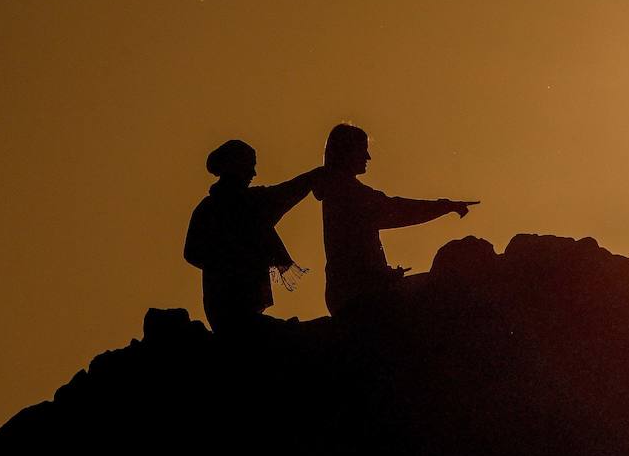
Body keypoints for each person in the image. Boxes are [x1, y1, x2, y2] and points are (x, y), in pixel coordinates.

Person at [315, 123, 476, 316]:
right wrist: (444, 206)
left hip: (349, 291)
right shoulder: (350, 195)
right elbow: (398, 210)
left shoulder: (339, 192)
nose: (368, 157)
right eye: (363, 150)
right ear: (347, 152)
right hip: (359, 294)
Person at [183, 139, 323, 332]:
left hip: (222, 310)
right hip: (233, 312)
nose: (253, 173)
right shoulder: (249, 205)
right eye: (250, 166)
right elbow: (285, 193)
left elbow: (192, 253)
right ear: (235, 167)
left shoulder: (209, 208)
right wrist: (233, 260)